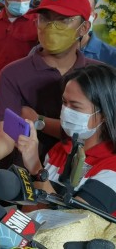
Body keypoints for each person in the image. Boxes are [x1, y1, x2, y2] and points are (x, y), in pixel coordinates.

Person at [0, 0, 98, 177]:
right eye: (45, 19)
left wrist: (39, 121)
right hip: (23, 178)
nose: (52, 26)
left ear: (83, 28)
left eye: (63, 20)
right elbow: (5, 137)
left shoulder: (97, 75)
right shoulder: (13, 74)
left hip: (84, 177)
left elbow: (101, 133)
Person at [18, 64, 116, 216]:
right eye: (64, 103)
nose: (66, 111)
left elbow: (71, 223)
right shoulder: (60, 149)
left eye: (75, 107)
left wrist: (36, 168)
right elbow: (29, 214)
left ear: (104, 114)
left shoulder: (112, 167)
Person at [76, 0, 116, 67]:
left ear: (94, 17)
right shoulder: (50, 48)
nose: (79, 16)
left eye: (85, 10)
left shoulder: (112, 56)